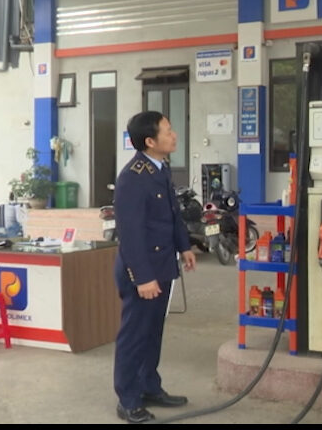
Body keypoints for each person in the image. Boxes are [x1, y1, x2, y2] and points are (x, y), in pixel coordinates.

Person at [113, 111, 196, 423]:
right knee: (135, 336)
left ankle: (149, 386)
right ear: (150, 141)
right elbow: (130, 233)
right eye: (168, 131)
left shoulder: (159, 168)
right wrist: (143, 278)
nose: (174, 136)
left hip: (162, 265)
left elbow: (172, 214)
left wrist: (184, 246)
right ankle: (128, 399)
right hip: (142, 271)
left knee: (152, 333)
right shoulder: (132, 178)